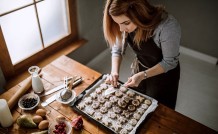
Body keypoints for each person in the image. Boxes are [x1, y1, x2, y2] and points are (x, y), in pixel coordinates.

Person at [103, 0, 181, 109]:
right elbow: (117, 49)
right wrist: (114, 72)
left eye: (126, 23)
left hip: (164, 76)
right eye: (117, 23)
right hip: (139, 70)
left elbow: (170, 62)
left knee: (158, 112)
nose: (121, 29)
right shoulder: (124, 22)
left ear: (139, 14)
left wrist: (143, 75)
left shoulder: (167, 26)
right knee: (136, 106)